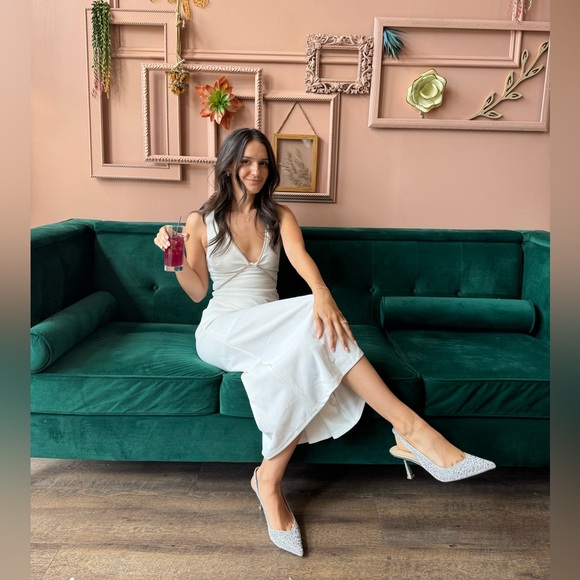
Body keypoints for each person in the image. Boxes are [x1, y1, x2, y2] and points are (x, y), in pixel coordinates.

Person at [154, 128, 495, 557]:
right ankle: (410, 430)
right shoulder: (198, 221)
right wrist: (172, 257)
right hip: (223, 330)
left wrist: (321, 293)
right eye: (246, 162)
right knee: (311, 313)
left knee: (307, 338)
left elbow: (301, 258)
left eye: (263, 163)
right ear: (228, 166)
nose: (256, 171)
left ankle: (268, 481)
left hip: (276, 328)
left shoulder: (280, 216)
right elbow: (197, 291)